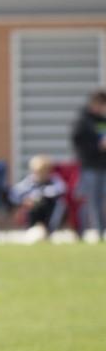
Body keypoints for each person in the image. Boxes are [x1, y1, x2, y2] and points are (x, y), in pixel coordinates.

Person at [70, 89, 106, 242]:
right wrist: (98, 146)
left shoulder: (102, 121)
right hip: (90, 167)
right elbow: (79, 144)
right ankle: (95, 232)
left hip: (103, 166)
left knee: (100, 200)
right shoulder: (83, 121)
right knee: (92, 200)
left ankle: (98, 230)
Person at [10, 155, 67, 238]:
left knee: (57, 204)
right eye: (38, 172)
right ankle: (30, 229)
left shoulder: (54, 180)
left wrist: (42, 194)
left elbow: (61, 189)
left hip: (49, 208)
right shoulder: (29, 182)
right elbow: (15, 193)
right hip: (34, 208)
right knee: (32, 205)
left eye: (44, 172)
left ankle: (50, 230)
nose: (41, 175)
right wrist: (25, 199)